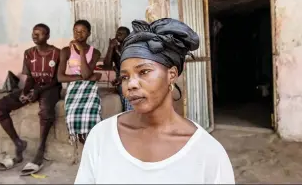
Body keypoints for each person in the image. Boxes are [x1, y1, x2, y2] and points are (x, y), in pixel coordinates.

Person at [74, 18, 235, 184]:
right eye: (124, 77)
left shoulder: (207, 153)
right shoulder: (102, 137)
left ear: (171, 74)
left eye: (144, 72)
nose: (131, 84)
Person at [0, 24, 61, 175]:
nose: (35, 36)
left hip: (51, 88)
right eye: (33, 33)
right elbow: (29, 77)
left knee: (45, 111)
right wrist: (25, 92)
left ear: (48, 36)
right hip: (34, 87)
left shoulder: (57, 53)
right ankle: (18, 143)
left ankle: (40, 150)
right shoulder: (29, 53)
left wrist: (37, 91)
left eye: (39, 34)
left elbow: (57, 79)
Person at [58, 20, 102, 145]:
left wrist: (82, 51)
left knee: (92, 112)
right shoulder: (66, 51)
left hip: (90, 87)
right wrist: (86, 77)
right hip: (73, 86)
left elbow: (86, 74)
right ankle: (84, 144)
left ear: (89, 33)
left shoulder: (95, 52)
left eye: (83, 31)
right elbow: (60, 77)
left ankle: (91, 143)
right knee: (72, 114)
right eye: (76, 31)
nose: (79, 34)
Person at [103, 26, 133, 111]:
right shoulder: (115, 48)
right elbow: (106, 65)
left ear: (128, 36)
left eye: (121, 33)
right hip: (121, 79)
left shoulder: (131, 48)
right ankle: (128, 114)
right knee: (126, 90)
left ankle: (131, 115)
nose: (117, 35)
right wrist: (110, 47)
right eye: (117, 33)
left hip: (132, 76)